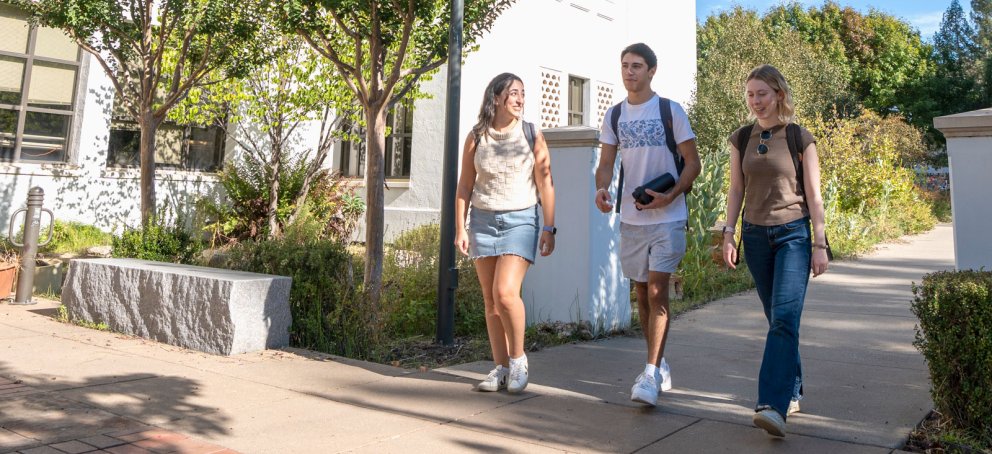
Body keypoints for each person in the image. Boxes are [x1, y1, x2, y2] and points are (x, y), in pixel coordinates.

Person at [722, 64, 830, 437]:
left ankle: (772, 404)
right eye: (750, 95)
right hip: (754, 236)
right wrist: (727, 233)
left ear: (779, 94)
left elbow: (814, 196)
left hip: (794, 237)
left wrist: (820, 243)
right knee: (779, 320)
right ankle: (793, 386)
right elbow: (736, 190)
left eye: (762, 94)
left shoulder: (800, 137)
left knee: (784, 319)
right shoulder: (740, 137)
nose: (756, 101)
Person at [594, 43, 701, 407]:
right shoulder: (614, 116)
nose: (629, 72)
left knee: (657, 292)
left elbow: (692, 163)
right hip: (632, 217)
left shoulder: (671, 111)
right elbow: (606, 163)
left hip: (668, 217)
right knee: (641, 292)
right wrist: (601, 189)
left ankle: (651, 373)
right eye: (624, 65)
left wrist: (671, 197)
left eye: (637, 66)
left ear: (652, 70)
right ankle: (660, 361)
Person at [455, 72, 556, 394]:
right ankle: (499, 367)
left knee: (506, 293)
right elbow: (465, 185)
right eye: (514, 93)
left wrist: (550, 226)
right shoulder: (476, 137)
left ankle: (518, 359)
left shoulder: (531, 134)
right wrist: (460, 227)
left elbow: (545, 183)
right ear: (496, 97)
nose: (520, 99)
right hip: (482, 220)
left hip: (521, 219)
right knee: (491, 301)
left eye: (522, 94)